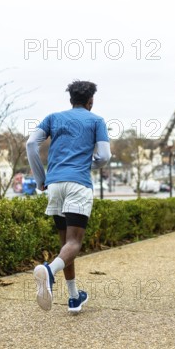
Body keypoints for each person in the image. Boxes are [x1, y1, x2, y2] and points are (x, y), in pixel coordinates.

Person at [26, 80, 111, 313]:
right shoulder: (97, 121)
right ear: (91, 101)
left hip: (54, 185)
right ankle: (49, 272)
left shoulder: (53, 118)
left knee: (65, 244)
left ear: (70, 99)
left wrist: (41, 178)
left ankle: (74, 298)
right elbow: (104, 156)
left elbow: (31, 143)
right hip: (78, 185)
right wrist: (87, 164)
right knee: (75, 243)